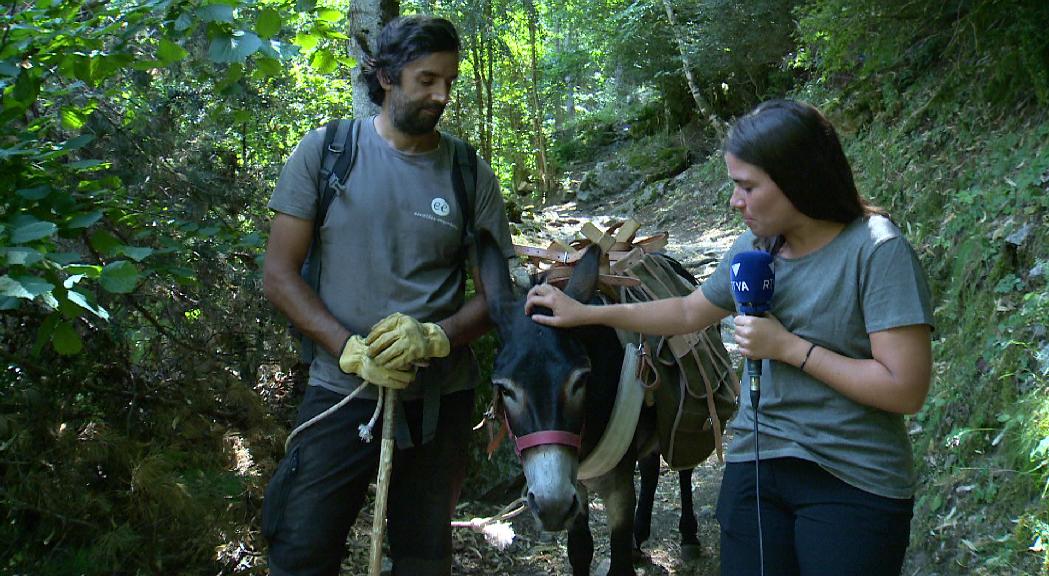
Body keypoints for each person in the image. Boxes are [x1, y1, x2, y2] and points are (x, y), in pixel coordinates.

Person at [525, 99, 933, 576]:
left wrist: (787, 348)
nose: (735, 202)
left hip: (853, 477)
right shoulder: (754, 249)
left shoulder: (877, 250)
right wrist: (587, 315)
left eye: (746, 187)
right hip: (758, 463)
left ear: (798, 178)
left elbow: (905, 388)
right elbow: (687, 310)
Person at [261, 15, 514, 576]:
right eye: (427, 80)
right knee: (300, 547)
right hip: (339, 391)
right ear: (386, 78)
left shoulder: (469, 173)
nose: (441, 94)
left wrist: (436, 338)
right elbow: (279, 274)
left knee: (424, 557)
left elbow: (500, 291)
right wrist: (348, 347)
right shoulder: (327, 153)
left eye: (449, 80)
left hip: (438, 400)